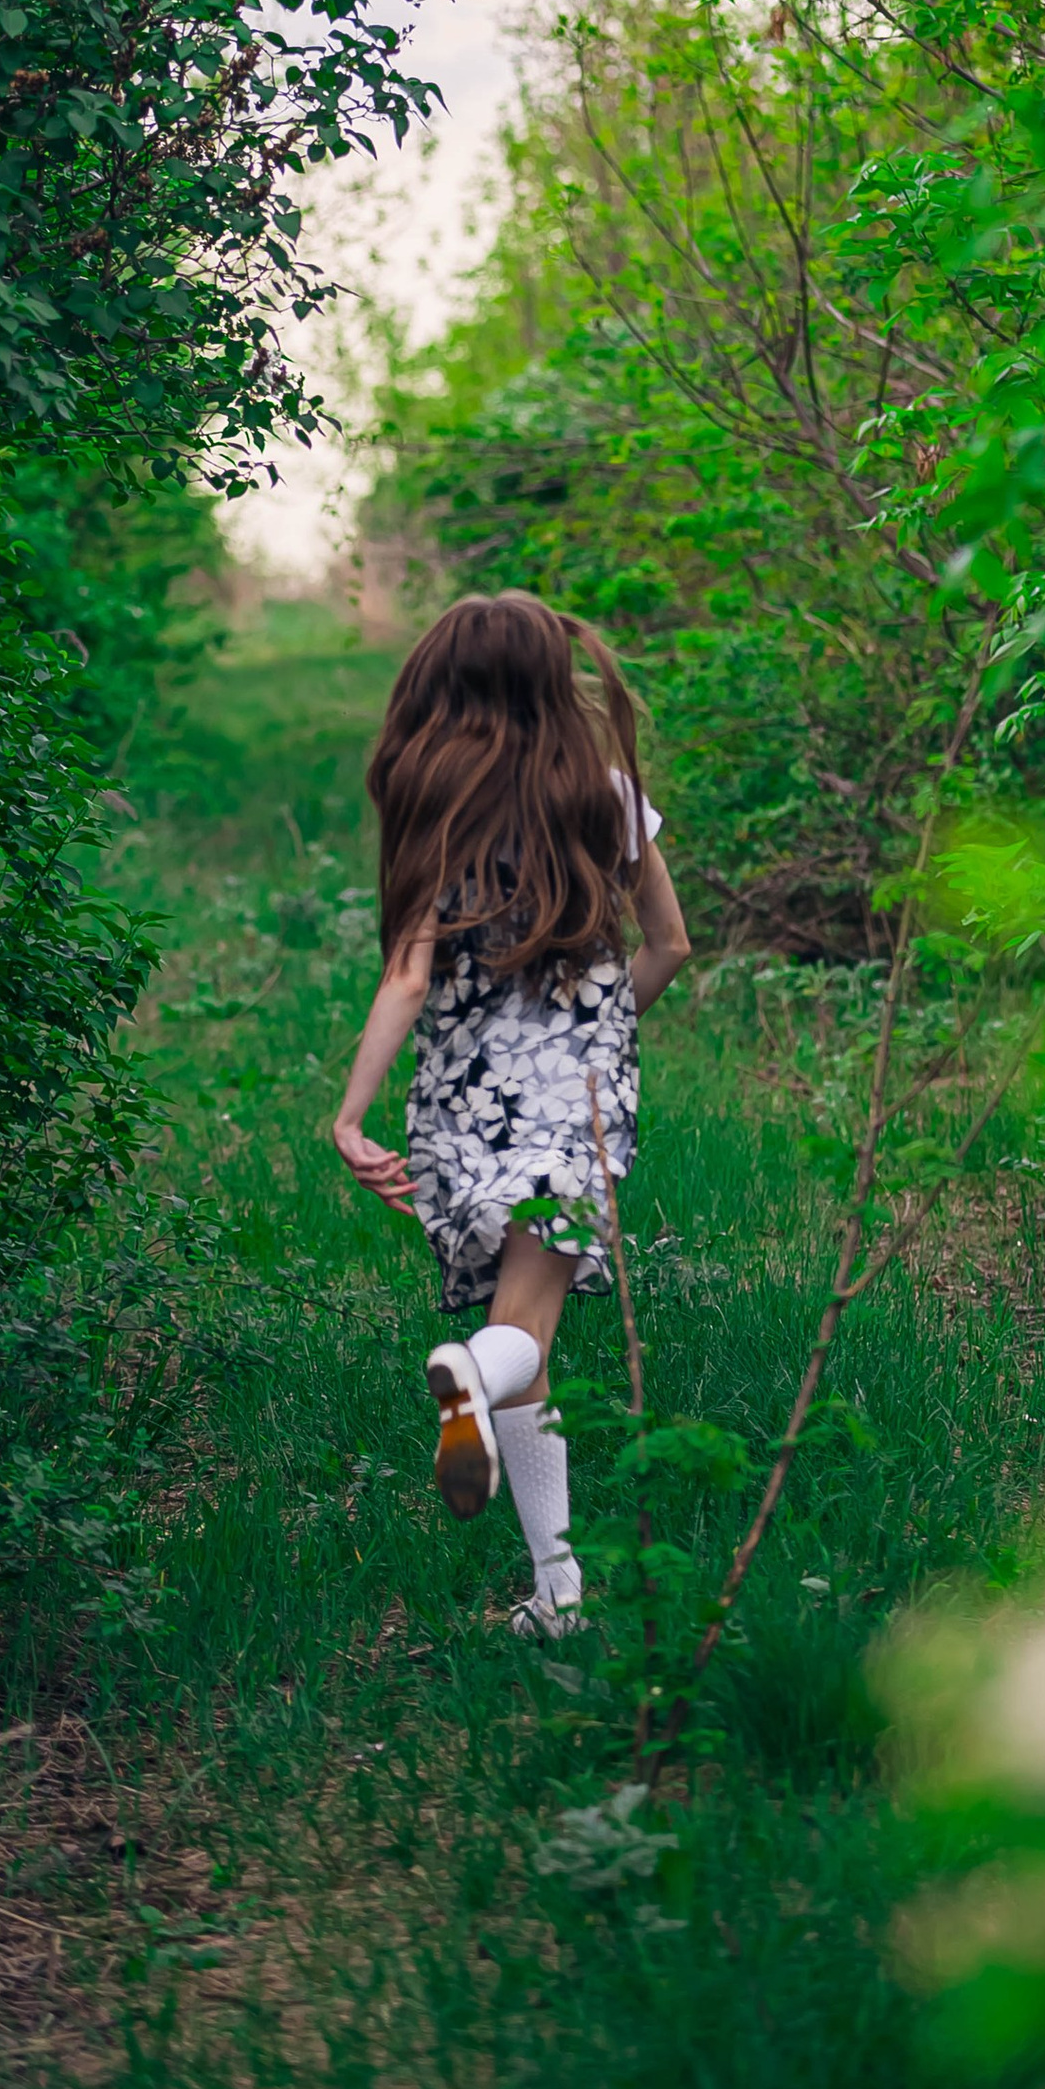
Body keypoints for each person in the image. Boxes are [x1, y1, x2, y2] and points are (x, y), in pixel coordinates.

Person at [330, 591, 692, 1635]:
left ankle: (556, 1593)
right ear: (548, 680)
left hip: (459, 1111)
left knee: (521, 1338)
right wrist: (600, 1028)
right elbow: (669, 945)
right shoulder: (610, 799)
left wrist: (353, 1117)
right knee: (518, 1342)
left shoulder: (437, 809)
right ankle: (466, 1384)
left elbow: (406, 976)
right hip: (569, 1108)